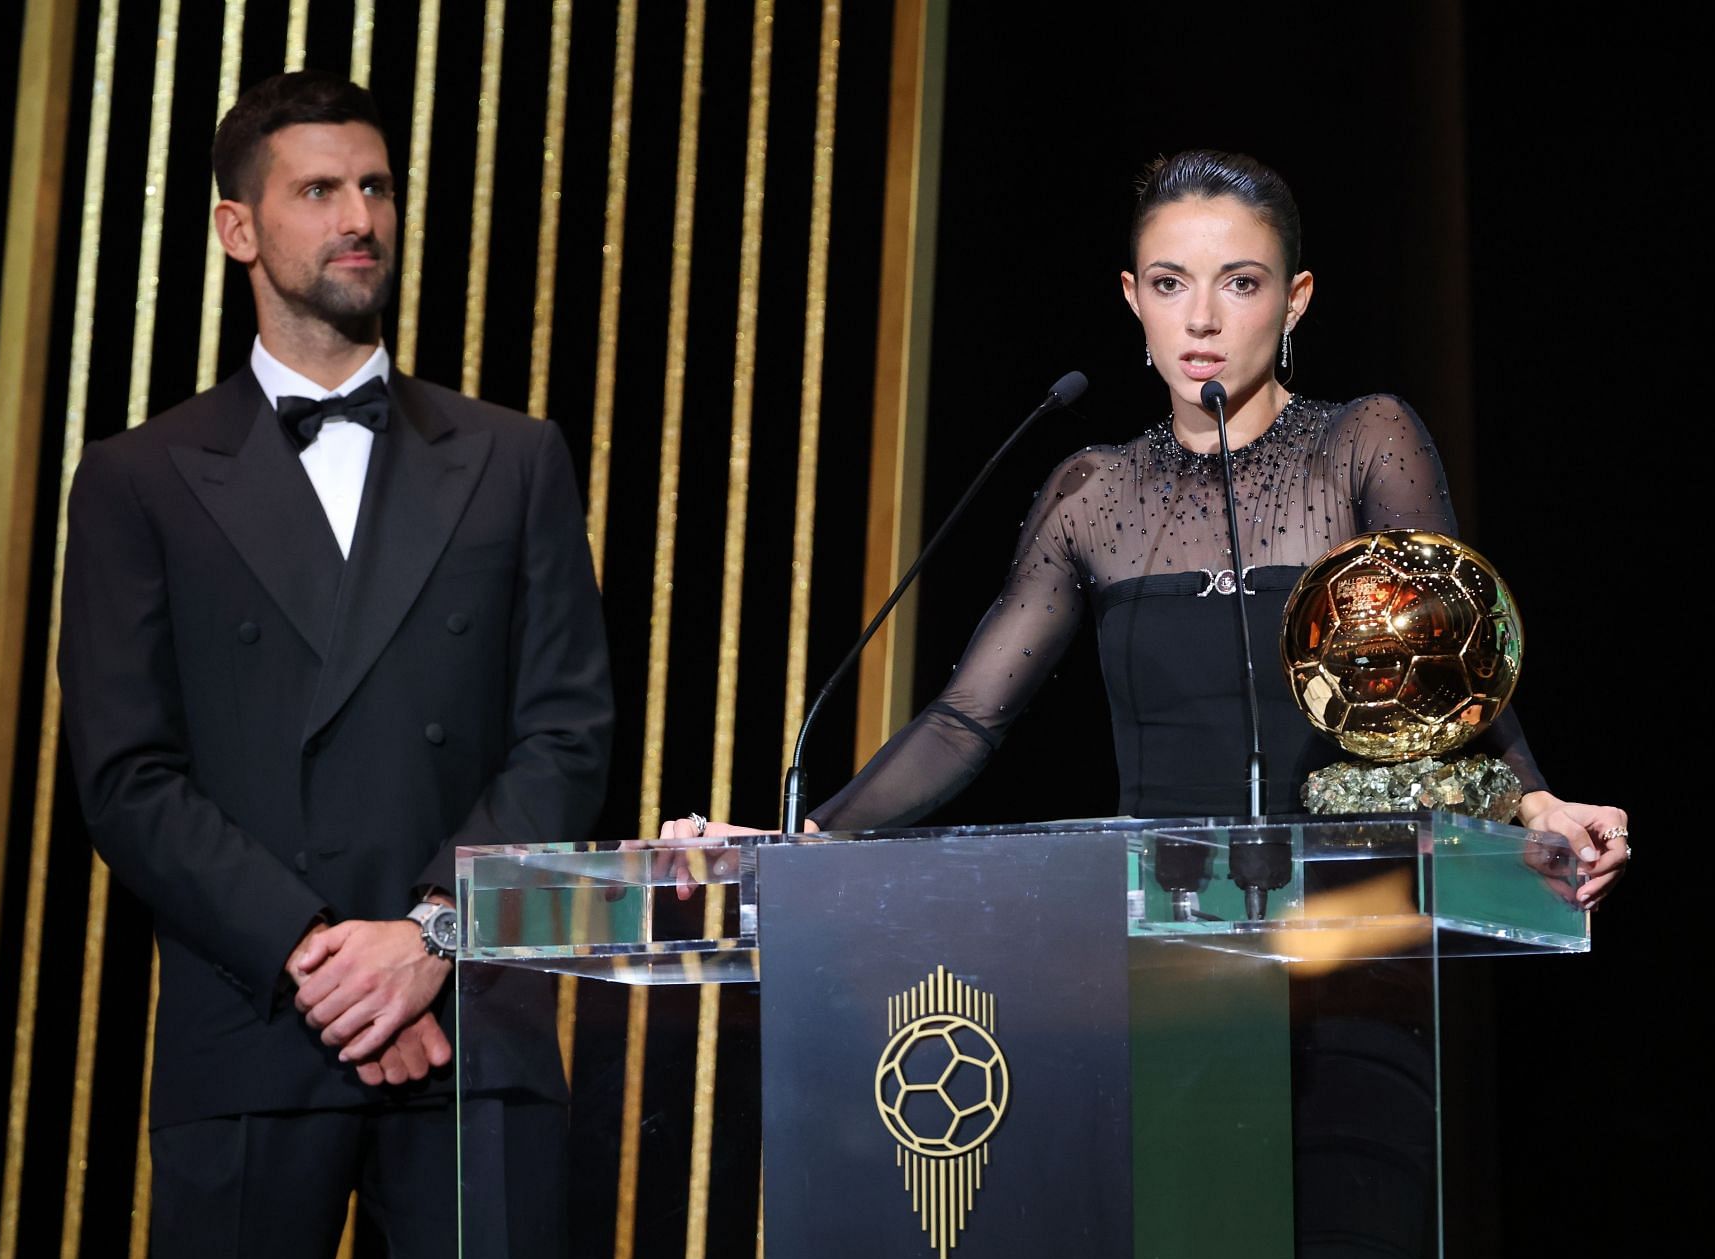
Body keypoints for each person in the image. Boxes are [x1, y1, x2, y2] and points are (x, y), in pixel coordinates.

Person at [664, 149, 1629, 900]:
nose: (1201, 318)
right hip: (1161, 929)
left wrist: (1539, 802)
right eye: (1170, 283)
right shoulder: (1094, 489)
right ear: (1134, 299)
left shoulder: (1362, 444)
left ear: (1294, 300)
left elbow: (1456, 665)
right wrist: (806, 842)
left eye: (1240, 283)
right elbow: (967, 719)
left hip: (1352, 923)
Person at [58, 70, 611, 1259]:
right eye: (319, 190)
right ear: (237, 229)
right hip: (253, 1026)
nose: (359, 215)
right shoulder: (138, 479)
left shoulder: (515, 459)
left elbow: (566, 737)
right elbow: (125, 775)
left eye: (374, 185)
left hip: (472, 1032)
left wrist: (427, 939)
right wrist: (325, 961)